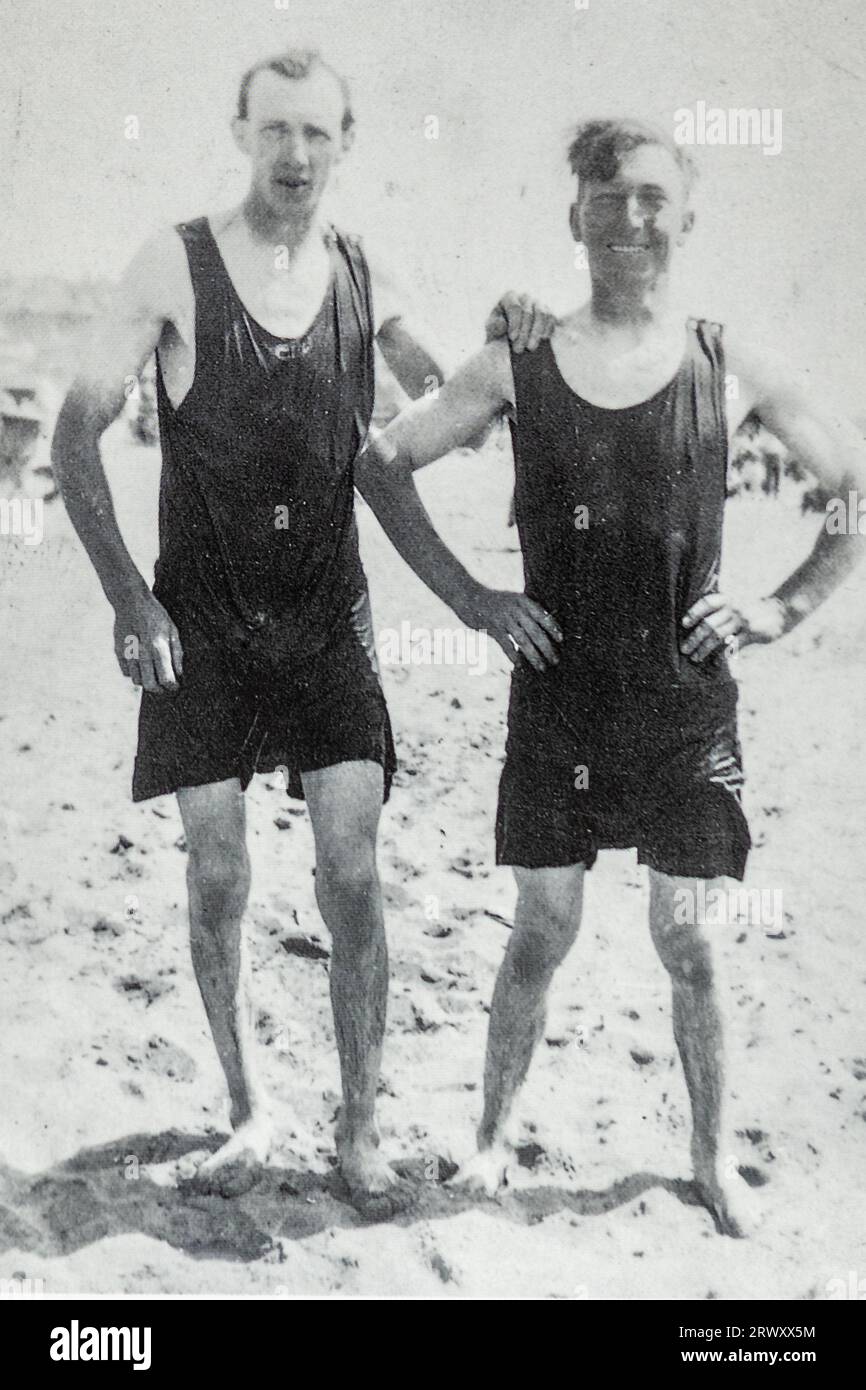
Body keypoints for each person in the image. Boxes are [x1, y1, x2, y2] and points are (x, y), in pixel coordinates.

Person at [51, 47, 554, 1207]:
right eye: (273, 130)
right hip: (203, 623)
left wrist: (509, 328)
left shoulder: (365, 271)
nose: (293, 154)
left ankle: (360, 1130)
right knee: (219, 874)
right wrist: (130, 598)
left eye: (315, 133)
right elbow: (75, 436)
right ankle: (241, 1103)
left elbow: (456, 412)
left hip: (328, 617)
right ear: (240, 133)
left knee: (351, 872)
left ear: (343, 145)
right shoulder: (171, 263)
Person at [355, 118, 866, 1234]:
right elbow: (381, 459)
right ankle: (488, 1140)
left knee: (687, 942)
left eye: (649, 198)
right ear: (572, 214)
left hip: (687, 704)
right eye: (605, 195)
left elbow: (852, 491)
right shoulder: (516, 363)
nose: (627, 218)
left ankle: (710, 1156)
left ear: (684, 216)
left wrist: (779, 604)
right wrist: (471, 600)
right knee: (541, 932)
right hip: (560, 698)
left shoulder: (729, 364)